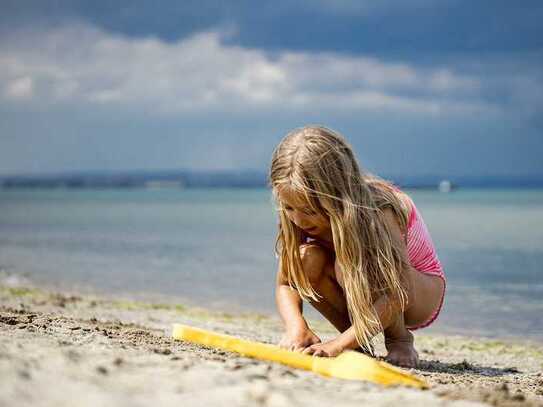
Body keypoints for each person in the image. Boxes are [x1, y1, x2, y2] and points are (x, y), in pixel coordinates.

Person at [269, 125, 446, 368]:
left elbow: (399, 292)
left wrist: (337, 346)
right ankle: (357, 342)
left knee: (349, 261)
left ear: (337, 196)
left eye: (310, 210)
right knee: (304, 259)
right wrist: (296, 328)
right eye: (289, 208)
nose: (298, 220)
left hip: (418, 293)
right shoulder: (297, 207)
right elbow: (286, 283)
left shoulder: (378, 209)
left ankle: (400, 338)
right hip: (360, 290)